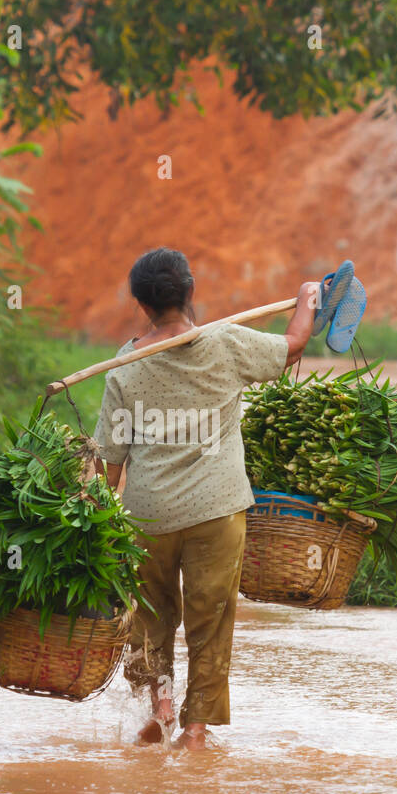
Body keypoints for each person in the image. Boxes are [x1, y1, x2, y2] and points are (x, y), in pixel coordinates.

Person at [94, 247, 317, 750]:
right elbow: (294, 344)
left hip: (148, 513)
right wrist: (307, 298)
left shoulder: (123, 369)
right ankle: (195, 730)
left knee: (149, 616)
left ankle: (161, 703)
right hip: (217, 511)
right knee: (211, 619)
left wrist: (96, 525)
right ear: (190, 291)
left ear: (141, 303)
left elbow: (110, 465)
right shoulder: (226, 343)